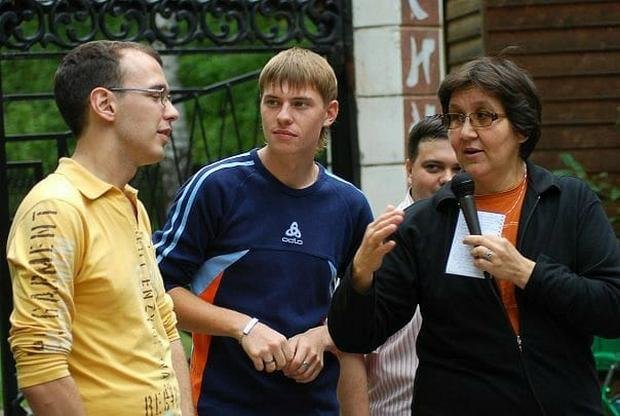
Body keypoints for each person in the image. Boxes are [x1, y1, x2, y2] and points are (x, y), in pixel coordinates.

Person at [328, 56, 620, 415]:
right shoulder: (425, 222)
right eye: (455, 117)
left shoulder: (569, 203)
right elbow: (356, 336)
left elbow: (612, 308)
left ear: (521, 128)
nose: (465, 132)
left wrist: (527, 273)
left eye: (484, 116)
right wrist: (359, 276)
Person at [153, 47, 373, 415]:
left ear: (330, 113)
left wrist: (323, 337)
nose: (283, 116)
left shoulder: (350, 205)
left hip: (316, 407)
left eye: (300, 104)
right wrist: (243, 326)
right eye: (272, 102)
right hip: (220, 405)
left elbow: (366, 316)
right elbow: (155, 291)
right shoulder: (216, 186)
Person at [7, 40, 193, 415]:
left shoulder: (130, 203)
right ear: (105, 104)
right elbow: (41, 366)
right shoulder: (56, 208)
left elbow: (165, 326)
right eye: (156, 95)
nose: (171, 112)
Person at [365, 115, 460, 415]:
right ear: (409, 170)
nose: (447, 178)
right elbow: (348, 349)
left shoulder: (484, 236)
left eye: (458, 169)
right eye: (433, 167)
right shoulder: (381, 240)